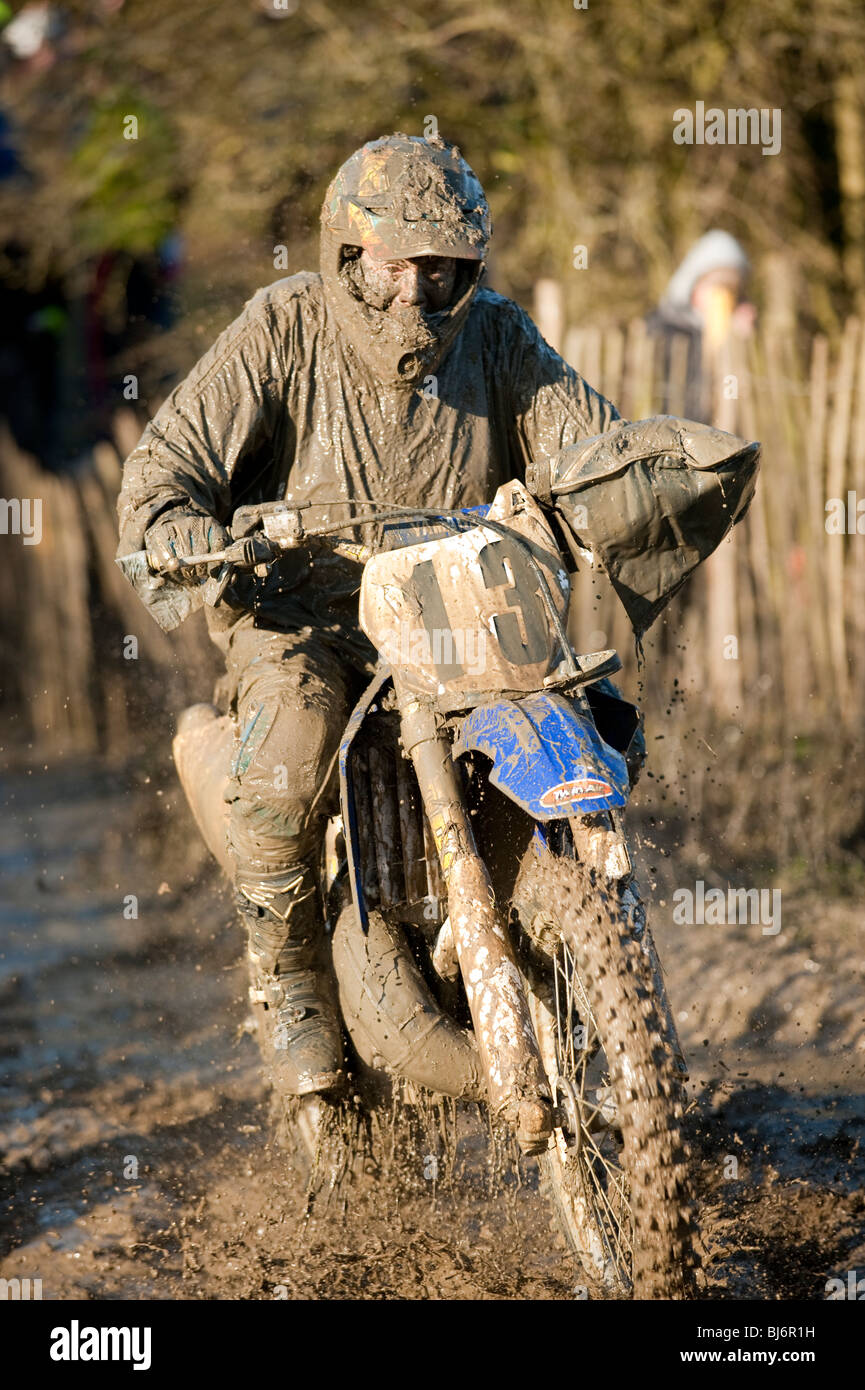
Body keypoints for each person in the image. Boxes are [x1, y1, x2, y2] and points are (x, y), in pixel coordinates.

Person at [116, 132, 621, 1101]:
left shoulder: (499, 338)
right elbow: (165, 460)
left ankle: (579, 951)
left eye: (444, 268)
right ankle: (289, 983)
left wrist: (632, 475)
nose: (419, 292)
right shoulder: (282, 330)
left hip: (454, 626)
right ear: (350, 255)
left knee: (582, 707)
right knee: (295, 739)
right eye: (400, 264)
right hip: (303, 623)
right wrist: (182, 524)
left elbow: (584, 436)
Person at [647, 229, 756, 421]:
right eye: (716, 285)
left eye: (731, 289)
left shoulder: (740, 329)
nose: (723, 295)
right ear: (693, 284)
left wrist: (743, 345)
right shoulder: (664, 328)